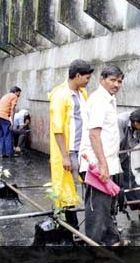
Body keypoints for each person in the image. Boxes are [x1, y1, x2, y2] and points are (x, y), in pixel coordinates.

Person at [79, 64, 130, 246]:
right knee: (97, 208)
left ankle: (111, 240)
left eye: (120, 81)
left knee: (107, 205)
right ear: (102, 79)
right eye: (113, 80)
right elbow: (94, 134)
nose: (116, 84)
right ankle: (95, 246)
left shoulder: (109, 99)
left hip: (108, 161)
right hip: (97, 163)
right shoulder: (99, 100)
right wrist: (103, 165)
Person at [48, 59, 94, 229]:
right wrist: (65, 156)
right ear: (77, 75)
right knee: (67, 187)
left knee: (88, 183)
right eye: (87, 78)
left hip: (83, 149)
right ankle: (70, 227)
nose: (88, 82)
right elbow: (57, 128)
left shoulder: (82, 93)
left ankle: (85, 224)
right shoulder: (60, 95)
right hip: (70, 150)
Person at [0, 86, 21, 158]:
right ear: (16, 92)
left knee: (1, 135)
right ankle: (9, 153)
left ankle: (2, 153)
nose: (19, 95)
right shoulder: (14, 96)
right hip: (3, 116)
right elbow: (12, 109)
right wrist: (12, 122)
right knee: (8, 134)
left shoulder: (6, 95)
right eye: (19, 93)